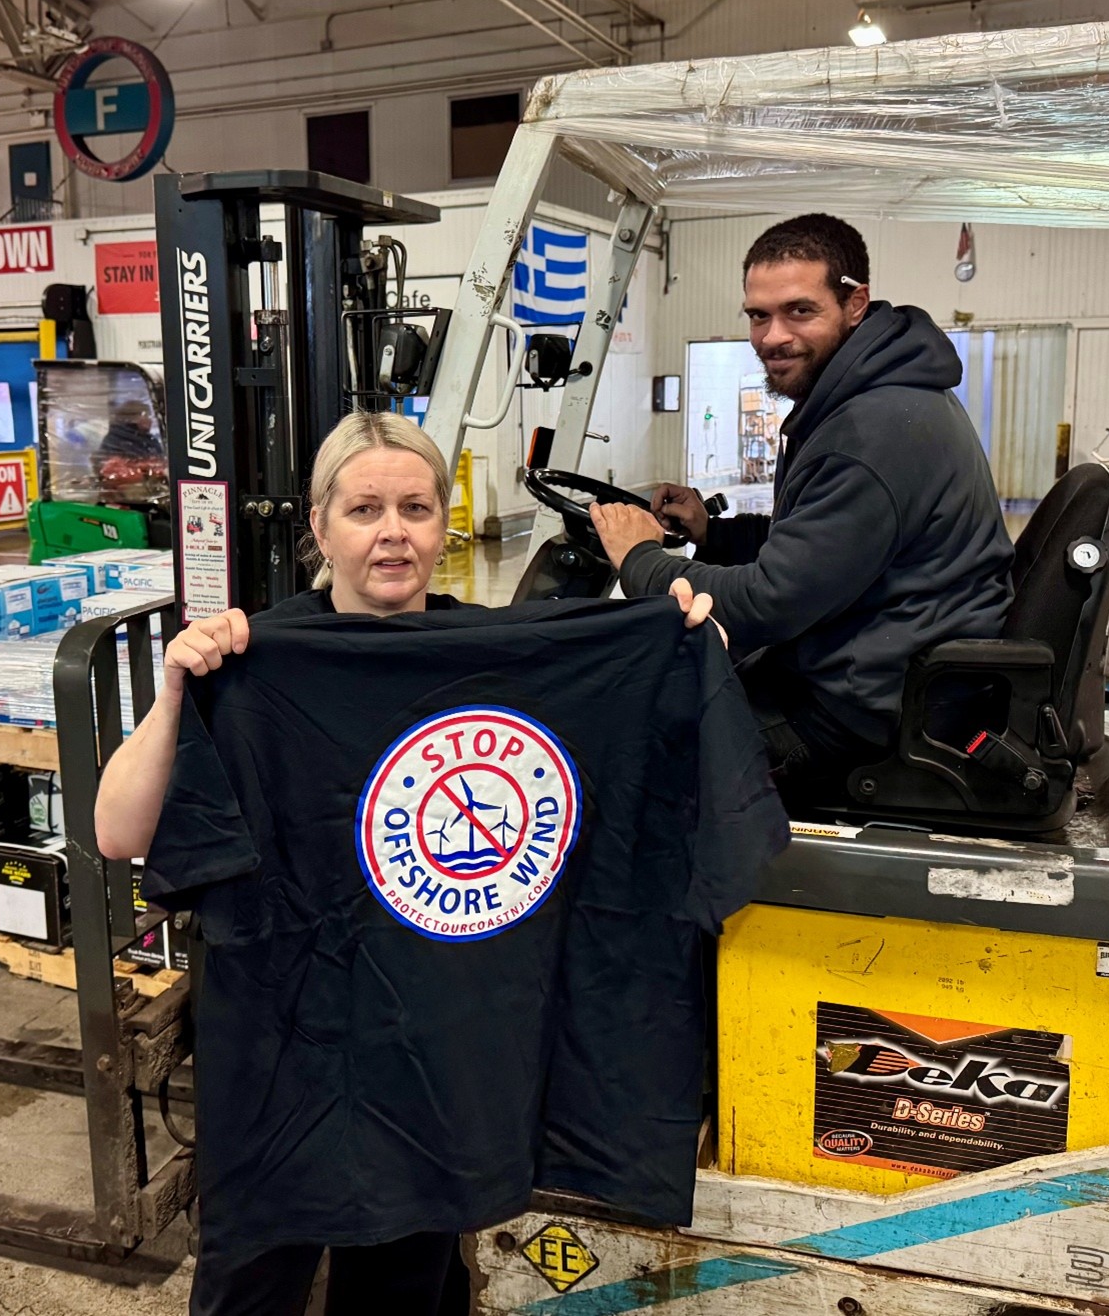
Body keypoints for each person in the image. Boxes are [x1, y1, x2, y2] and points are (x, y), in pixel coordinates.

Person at [94, 411, 716, 1316]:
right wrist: (177, 691)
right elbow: (117, 832)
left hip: (433, 1046)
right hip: (287, 1044)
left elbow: (659, 741)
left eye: (416, 507)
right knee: (253, 1275)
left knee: (406, 1277)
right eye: (366, 508)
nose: (393, 531)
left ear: (443, 522)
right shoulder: (254, 659)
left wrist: (685, 640)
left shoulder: (505, 660)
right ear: (320, 528)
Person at [589, 214, 1015, 797]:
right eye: (759, 316)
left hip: (862, 717)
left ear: (854, 303)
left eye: (800, 311)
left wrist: (639, 558)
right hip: (864, 675)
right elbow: (817, 547)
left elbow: (770, 603)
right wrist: (712, 532)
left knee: (620, 752)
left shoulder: (875, 430)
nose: (772, 337)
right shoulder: (863, 400)